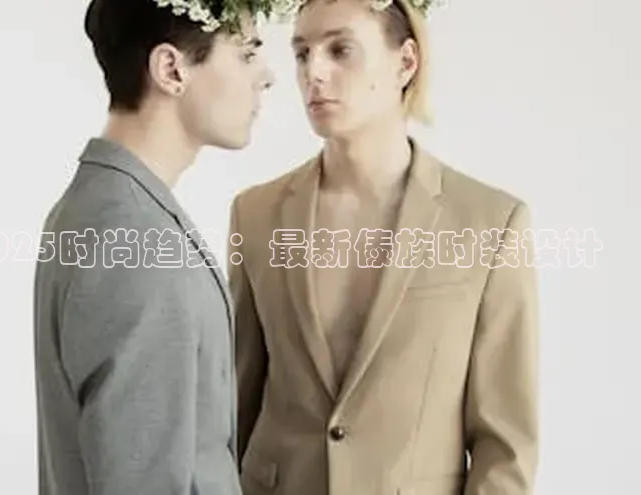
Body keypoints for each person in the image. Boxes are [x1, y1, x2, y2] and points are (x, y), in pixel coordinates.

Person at [227, 0, 539, 494]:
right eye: (303, 53)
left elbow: (505, 446)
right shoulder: (256, 214)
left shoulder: (491, 223)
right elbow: (235, 407)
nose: (314, 73)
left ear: (406, 62)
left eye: (340, 50)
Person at [32, 0, 277, 493]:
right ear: (171, 69)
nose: (266, 77)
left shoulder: (103, 207)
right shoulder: (134, 237)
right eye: (247, 54)